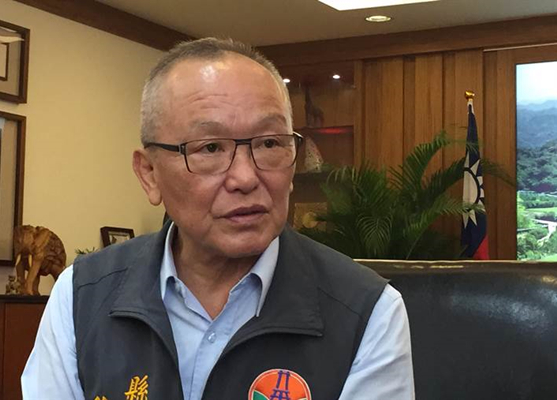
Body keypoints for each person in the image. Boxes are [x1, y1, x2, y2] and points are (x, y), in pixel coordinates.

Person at [22, 37, 414, 400]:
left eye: (269, 143)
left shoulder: (367, 311)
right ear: (150, 174)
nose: (246, 177)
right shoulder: (81, 295)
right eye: (210, 147)